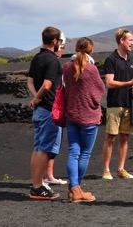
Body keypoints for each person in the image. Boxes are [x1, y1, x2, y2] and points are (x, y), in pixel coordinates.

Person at [62, 37, 104, 202]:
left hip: (71, 114)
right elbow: (99, 91)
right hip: (88, 116)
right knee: (85, 153)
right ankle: (77, 189)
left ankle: (74, 189)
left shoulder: (66, 67)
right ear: (91, 50)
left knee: (73, 151)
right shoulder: (92, 69)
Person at [26, 26, 64, 200]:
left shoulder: (37, 58)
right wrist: (37, 99)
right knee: (43, 150)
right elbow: (48, 85)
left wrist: (35, 98)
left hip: (40, 109)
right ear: (54, 41)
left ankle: (37, 184)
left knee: (37, 148)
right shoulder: (52, 60)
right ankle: (37, 187)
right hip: (49, 110)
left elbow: (30, 82)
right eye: (60, 42)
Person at [102, 28, 133, 180]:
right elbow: (109, 83)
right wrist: (129, 83)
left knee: (124, 137)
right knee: (111, 137)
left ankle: (121, 169)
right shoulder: (111, 60)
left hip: (129, 103)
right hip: (114, 104)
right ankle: (106, 170)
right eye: (130, 40)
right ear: (122, 40)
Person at [44, 33, 68, 187]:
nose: (62, 50)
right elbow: (48, 86)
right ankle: (44, 178)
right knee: (48, 143)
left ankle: (49, 175)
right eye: (62, 47)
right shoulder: (53, 64)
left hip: (55, 107)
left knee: (54, 143)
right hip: (52, 107)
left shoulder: (53, 63)